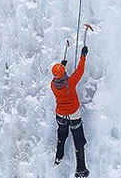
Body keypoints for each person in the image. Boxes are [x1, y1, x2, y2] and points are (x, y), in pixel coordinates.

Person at [51, 46, 90, 177]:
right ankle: (81, 169)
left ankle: (58, 156)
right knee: (78, 140)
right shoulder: (71, 82)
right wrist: (83, 56)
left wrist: (62, 66)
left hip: (60, 115)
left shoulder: (53, 85)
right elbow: (80, 70)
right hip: (73, 115)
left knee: (62, 136)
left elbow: (59, 78)